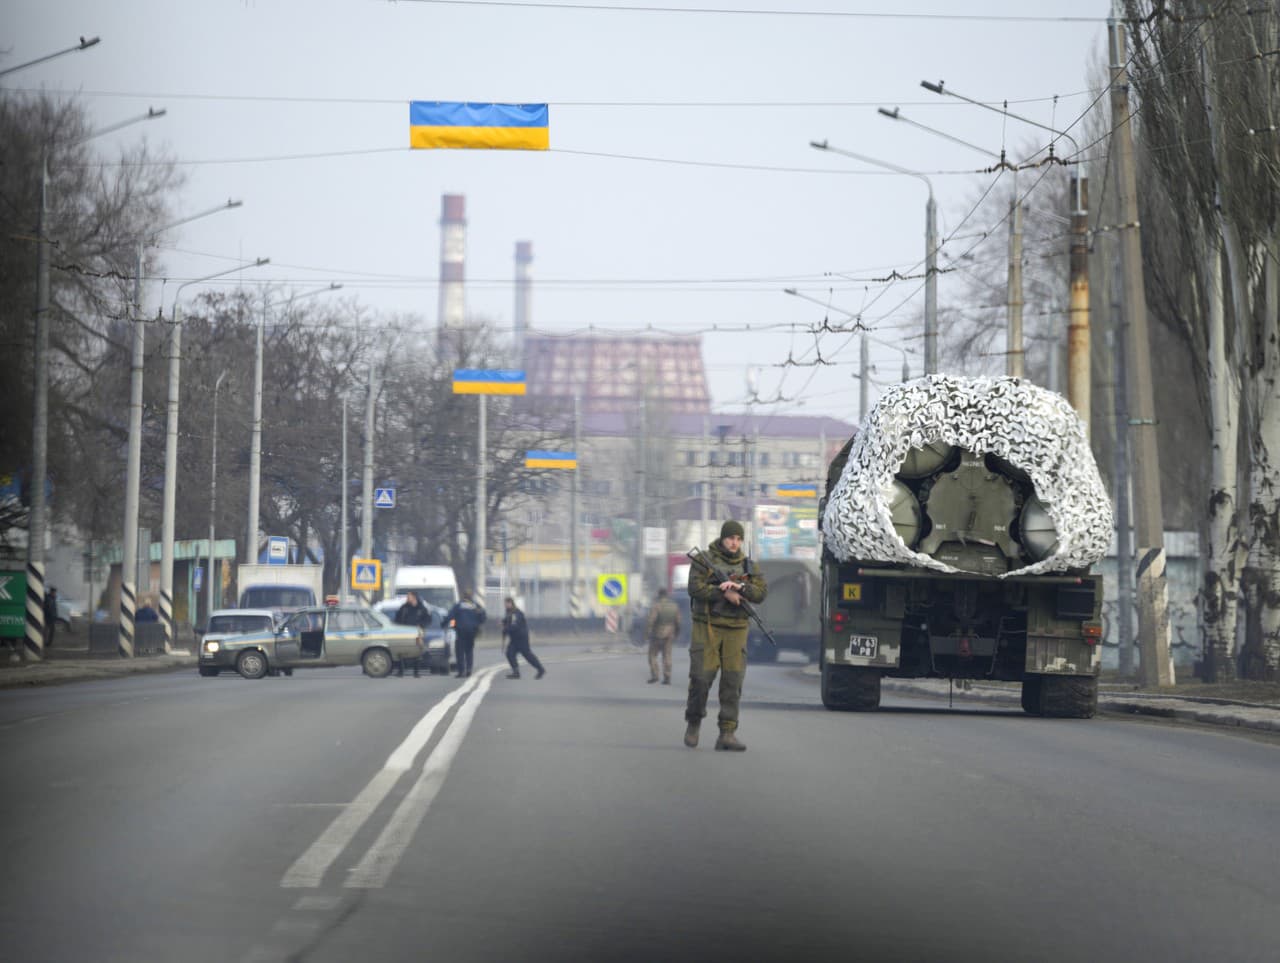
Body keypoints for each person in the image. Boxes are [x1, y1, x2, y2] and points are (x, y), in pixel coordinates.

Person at [684, 520, 767, 752]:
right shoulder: (704, 559)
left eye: (739, 539)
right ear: (723, 538)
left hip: (737, 628)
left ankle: (727, 733)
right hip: (707, 626)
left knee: (733, 681)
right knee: (701, 678)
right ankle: (694, 721)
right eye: (731, 538)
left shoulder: (748, 564)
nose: (734, 543)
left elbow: (761, 593)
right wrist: (723, 594)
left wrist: (741, 589)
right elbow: (694, 588)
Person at [446, 589, 486, 678]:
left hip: (460, 632)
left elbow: (451, 617)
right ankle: (469, 669)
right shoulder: (475, 606)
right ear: (471, 596)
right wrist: (477, 625)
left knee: (459, 652)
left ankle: (461, 671)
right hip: (471, 632)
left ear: (463, 596)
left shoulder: (458, 606)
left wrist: (452, 626)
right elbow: (483, 617)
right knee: (469, 651)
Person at [501, 596, 544, 679]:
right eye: (505, 603)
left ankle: (540, 669)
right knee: (510, 653)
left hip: (521, 638)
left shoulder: (517, 613)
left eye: (507, 603)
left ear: (511, 603)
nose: (506, 605)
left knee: (527, 656)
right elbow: (507, 620)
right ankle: (516, 672)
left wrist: (505, 628)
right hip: (514, 639)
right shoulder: (508, 612)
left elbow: (514, 625)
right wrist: (503, 622)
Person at [645, 587, 681, 685]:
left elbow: (651, 620)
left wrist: (647, 633)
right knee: (667, 656)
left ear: (659, 595)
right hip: (670, 634)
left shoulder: (656, 606)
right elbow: (678, 622)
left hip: (657, 634)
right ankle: (667, 676)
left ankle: (655, 675)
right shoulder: (674, 606)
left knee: (652, 655)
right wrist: (677, 633)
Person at [393, 591, 433, 678]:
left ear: (414, 597)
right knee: (401, 651)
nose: (407, 598)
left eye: (409, 596)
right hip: (404, 632)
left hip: (416, 632)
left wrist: (421, 625)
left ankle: (416, 671)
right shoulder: (404, 608)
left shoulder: (421, 608)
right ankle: (400, 671)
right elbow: (397, 618)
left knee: (416, 651)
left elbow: (428, 619)